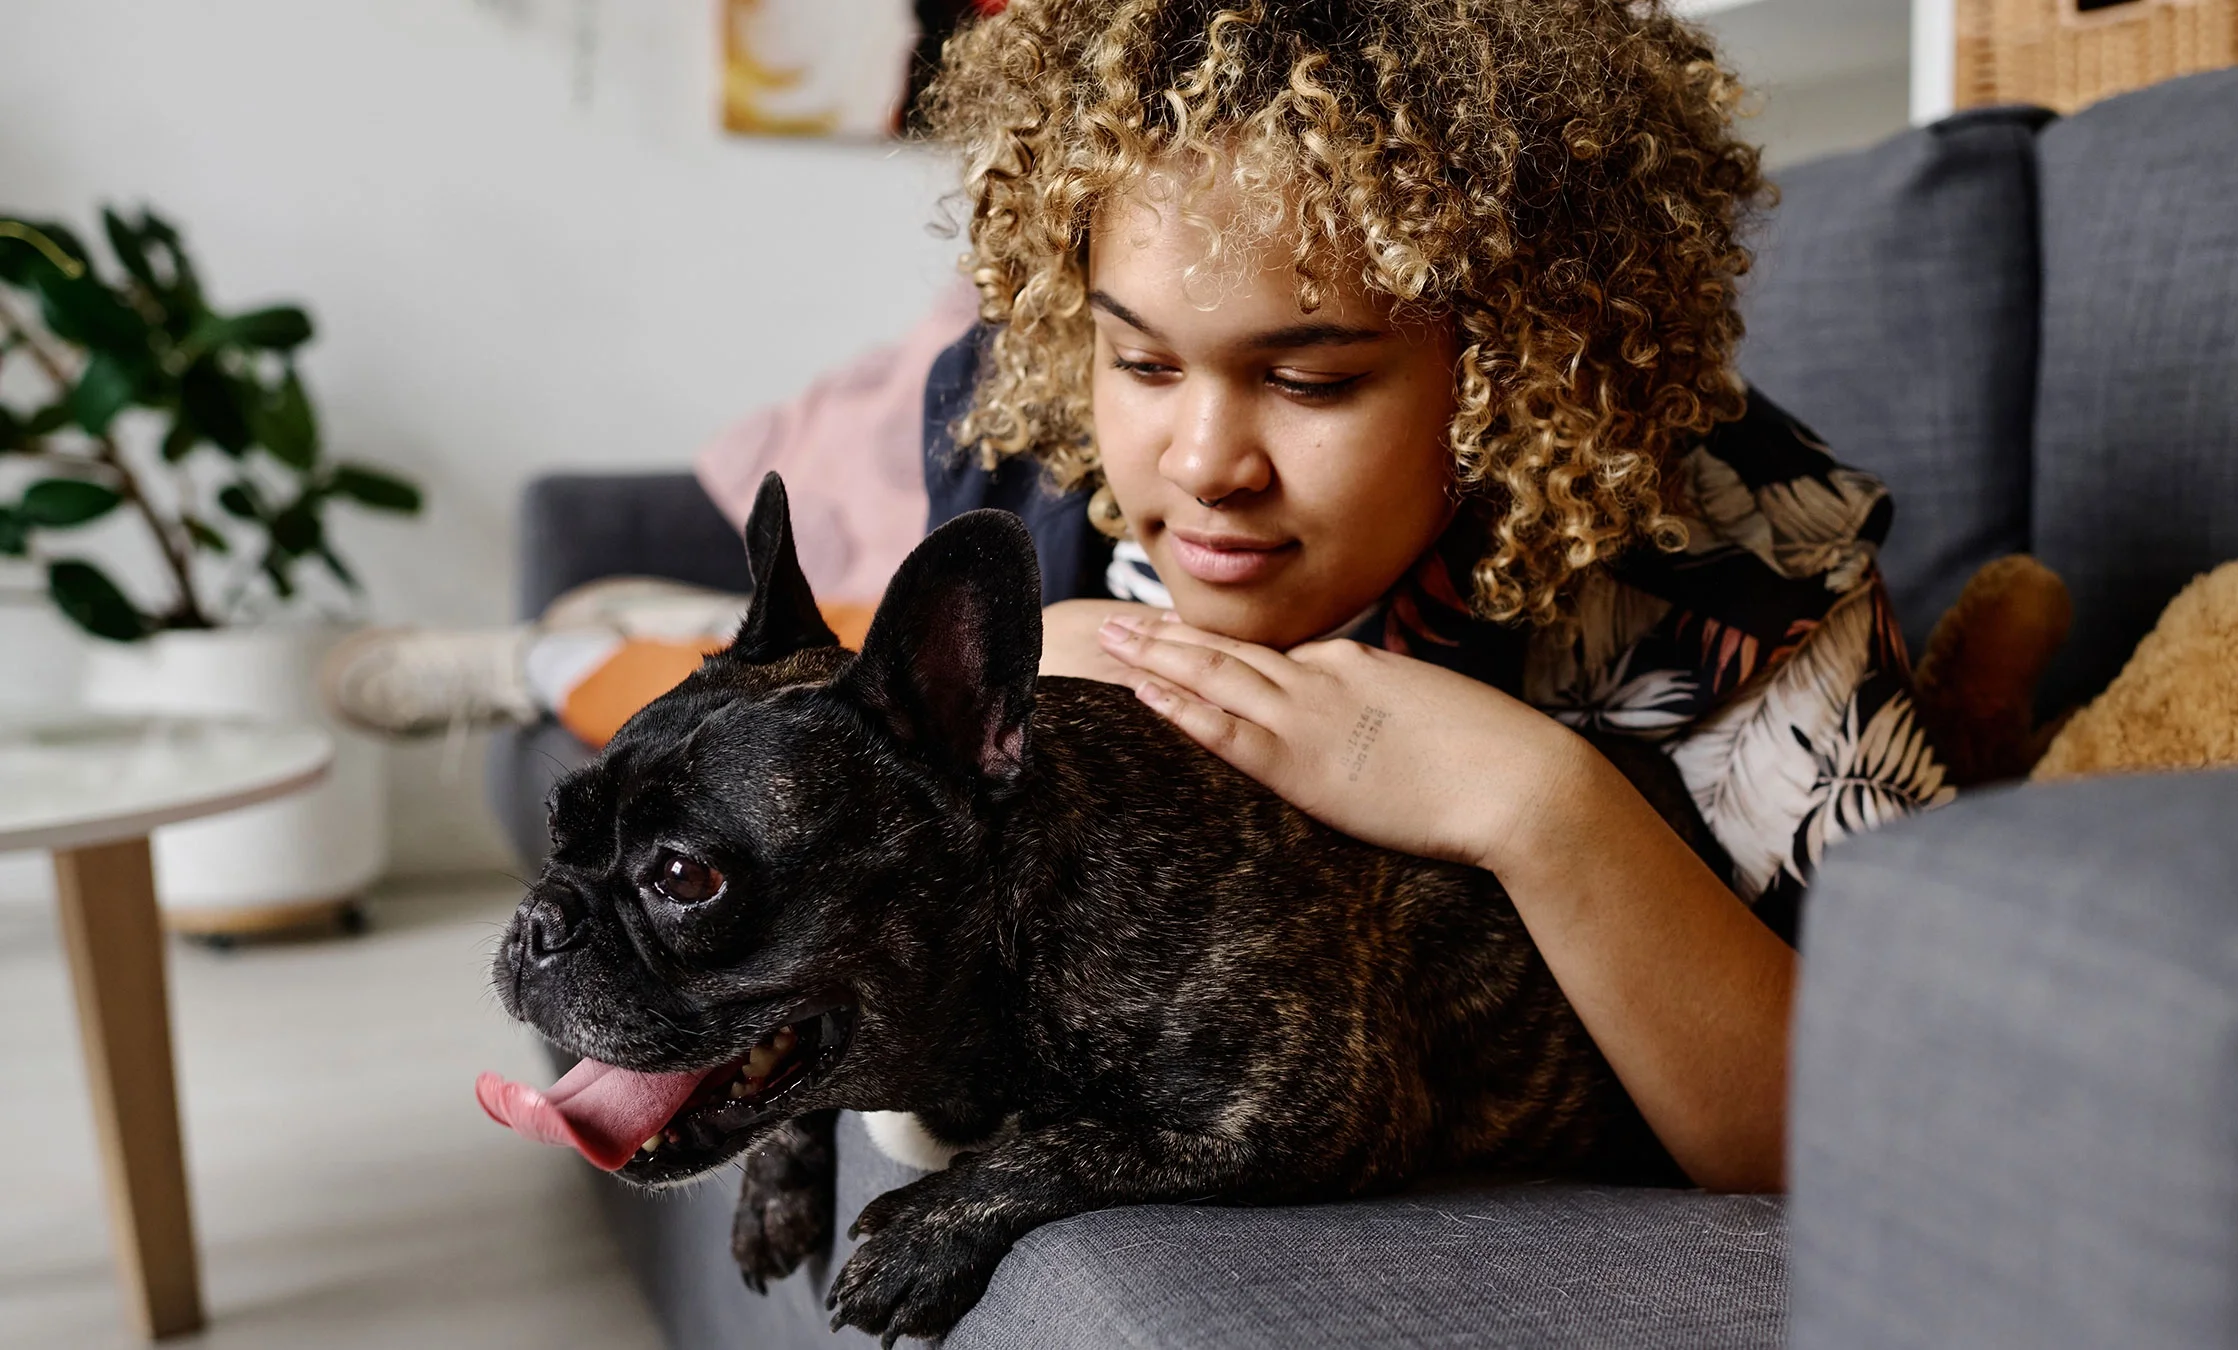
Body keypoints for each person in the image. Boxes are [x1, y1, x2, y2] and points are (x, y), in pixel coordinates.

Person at [334, 0, 1953, 1195]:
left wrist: (1530, 797)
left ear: (1513, 360)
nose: (1200, 464)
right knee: (728, 660)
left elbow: (1832, 1136)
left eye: (1311, 378)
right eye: (1140, 357)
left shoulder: (1747, 572)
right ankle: (558, 646)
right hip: (889, 583)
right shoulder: (1053, 469)